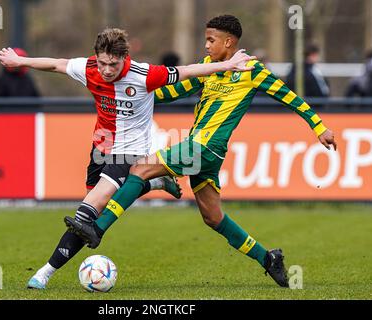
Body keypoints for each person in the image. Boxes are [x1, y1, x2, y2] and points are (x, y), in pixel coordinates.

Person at [67, 16, 338, 288]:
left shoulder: (252, 70)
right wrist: (132, 92)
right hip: (203, 151)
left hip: (206, 147)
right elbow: (173, 91)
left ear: (228, 42)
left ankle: (97, 228)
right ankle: (268, 259)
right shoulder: (208, 67)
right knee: (213, 217)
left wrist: (319, 127)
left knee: (139, 168)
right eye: (206, 39)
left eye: (211, 40)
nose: (206, 45)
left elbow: (289, 96)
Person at [0, 27, 255, 289]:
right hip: (101, 147)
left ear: (125, 58)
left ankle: (44, 273)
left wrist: (229, 64)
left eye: (113, 64)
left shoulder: (145, 74)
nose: (107, 70)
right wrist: (20, 61)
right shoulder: (89, 68)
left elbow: (187, 70)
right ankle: (154, 183)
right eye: (102, 63)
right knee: (95, 210)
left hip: (129, 150)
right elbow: (57, 64)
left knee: (86, 214)